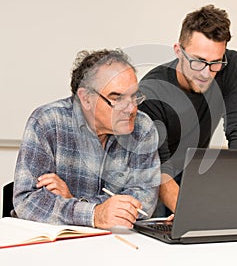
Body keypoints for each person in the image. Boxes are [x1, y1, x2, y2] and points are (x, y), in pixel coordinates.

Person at [13, 49, 161, 229]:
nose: (131, 109)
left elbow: (145, 200)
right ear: (86, 98)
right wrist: (95, 214)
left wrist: (75, 201)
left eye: (134, 96)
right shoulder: (48, 122)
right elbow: (27, 201)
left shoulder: (143, 128)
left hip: (114, 243)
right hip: (52, 242)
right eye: (117, 98)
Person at [139, 4, 237, 216]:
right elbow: (159, 173)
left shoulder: (231, 66)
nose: (206, 73)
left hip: (193, 177)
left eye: (215, 63)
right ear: (178, 51)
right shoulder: (151, 93)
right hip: (150, 182)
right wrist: (192, 217)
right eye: (198, 61)